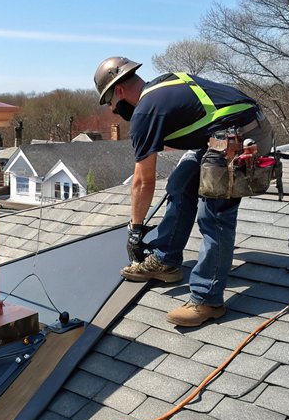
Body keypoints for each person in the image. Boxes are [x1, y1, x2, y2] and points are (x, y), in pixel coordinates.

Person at [94, 57, 273, 327]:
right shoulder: (165, 84)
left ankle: (207, 299)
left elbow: (143, 181)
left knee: (214, 213)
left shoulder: (145, 112)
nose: (113, 111)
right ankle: (166, 261)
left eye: (110, 103)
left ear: (118, 90)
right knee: (180, 182)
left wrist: (135, 230)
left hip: (243, 136)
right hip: (224, 133)